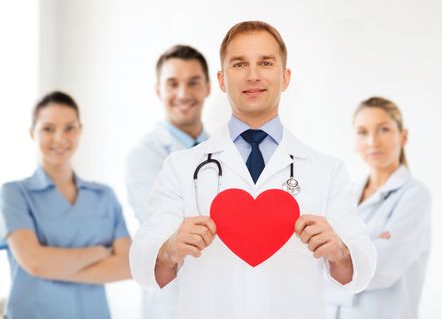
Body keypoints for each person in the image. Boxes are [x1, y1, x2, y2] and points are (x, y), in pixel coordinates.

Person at [129, 21, 376, 319]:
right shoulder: (181, 168)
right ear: (221, 80)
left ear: (285, 78)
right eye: (239, 63)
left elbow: (361, 269)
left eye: (266, 62)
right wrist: (169, 248)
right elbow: (143, 264)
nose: (253, 75)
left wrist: (339, 251)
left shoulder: (327, 170)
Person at [0, 91, 131, 319]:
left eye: (69, 128)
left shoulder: (104, 196)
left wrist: (54, 267)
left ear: (80, 130)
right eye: (48, 129)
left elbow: (128, 266)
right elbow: (35, 263)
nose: (60, 138)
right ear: (33, 133)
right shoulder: (14, 194)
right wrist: (98, 253)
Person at [326, 97, 432, 319]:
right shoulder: (346, 194)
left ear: (403, 136)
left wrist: (336, 256)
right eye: (363, 132)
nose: (373, 141)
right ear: (355, 141)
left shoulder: (414, 195)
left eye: (383, 129)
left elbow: (384, 266)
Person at [125, 45, 210, 318]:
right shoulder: (144, 156)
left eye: (193, 82)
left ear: (208, 87)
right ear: (159, 90)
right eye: (173, 84)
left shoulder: (224, 150)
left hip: (219, 295)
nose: (183, 94)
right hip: (171, 300)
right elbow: (164, 225)